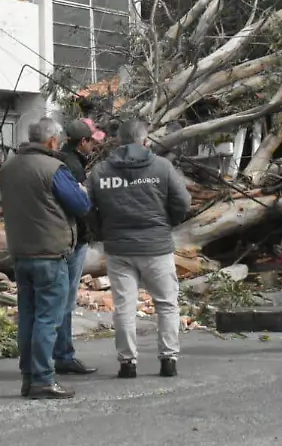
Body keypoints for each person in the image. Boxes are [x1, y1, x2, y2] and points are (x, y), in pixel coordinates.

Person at [87, 119, 191, 379]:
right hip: (156, 247)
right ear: (145, 141)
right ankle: (168, 360)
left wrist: (102, 232)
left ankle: (127, 363)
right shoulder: (162, 167)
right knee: (166, 304)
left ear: (118, 141)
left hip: (119, 249)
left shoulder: (100, 171)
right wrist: (167, 223)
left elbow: (87, 209)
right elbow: (182, 202)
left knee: (124, 307)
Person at [0, 117, 92, 400]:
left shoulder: (8, 167)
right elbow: (81, 204)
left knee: (27, 316)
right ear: (52, 141)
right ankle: (42, 378)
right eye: (58, 140)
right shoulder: (53, 169)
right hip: (50, 253)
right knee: (48, 318)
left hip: (20, 252)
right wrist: (83, 191)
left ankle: (29, 377)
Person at [53, 118, 106, 376]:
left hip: (62, 238)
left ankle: (54, 353)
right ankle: (63, 355)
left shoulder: (62, 160)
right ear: (82, 141)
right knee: (65, 300)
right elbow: (80, 206)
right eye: (92, 142)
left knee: (58, 297)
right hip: (74, 240)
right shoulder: (72, 166)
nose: (94, 147)